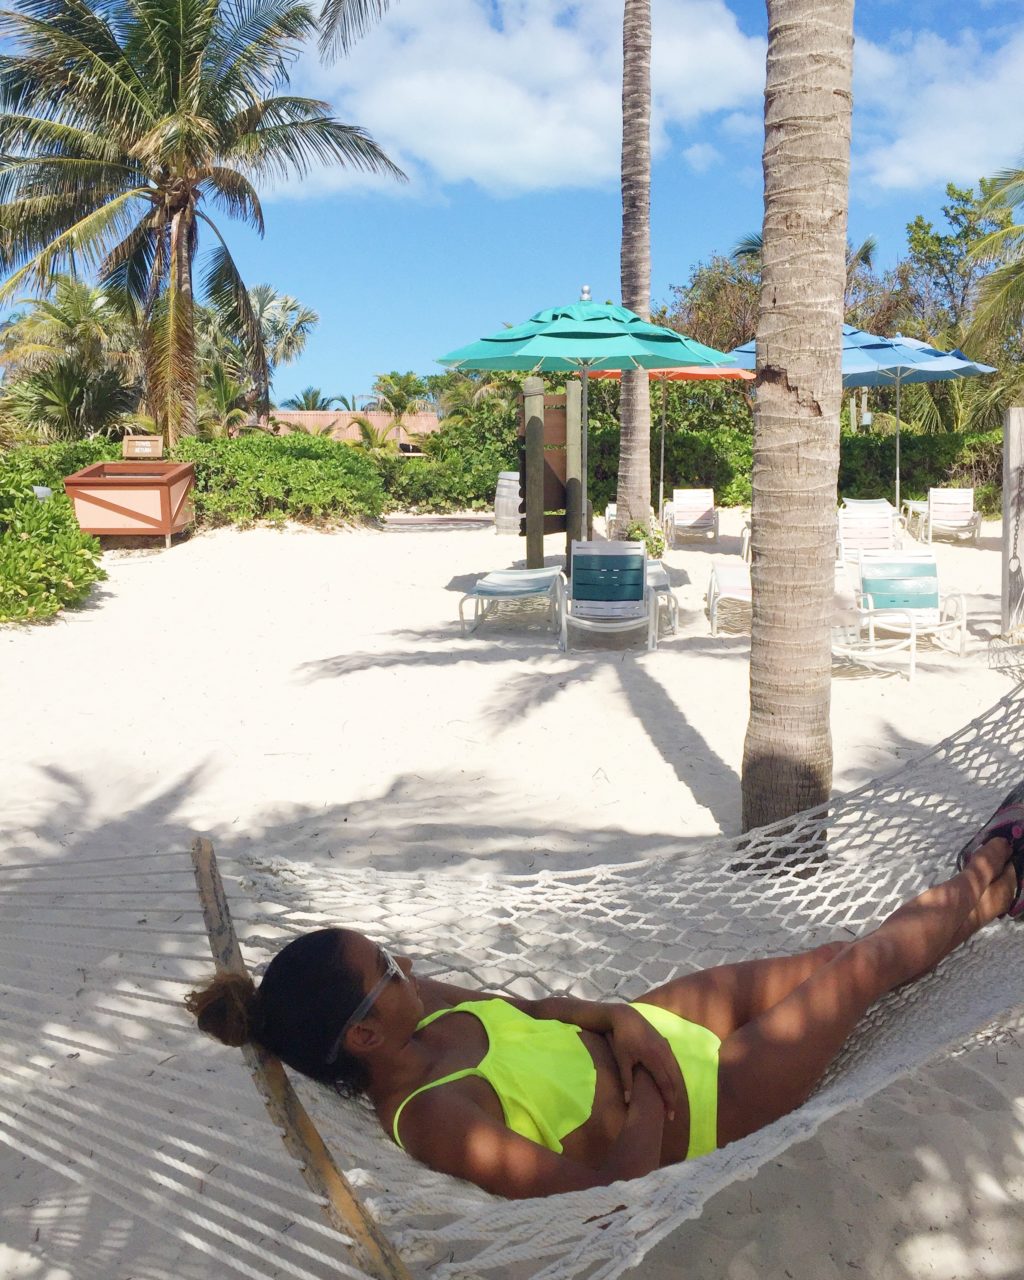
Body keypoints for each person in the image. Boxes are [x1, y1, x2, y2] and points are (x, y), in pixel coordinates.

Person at [187, 792, 1024, 1199]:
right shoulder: (434, 1117)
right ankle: (994, 863)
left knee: (839, 954)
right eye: (388, 971)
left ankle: (991, 892)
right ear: (364, 1037)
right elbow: (604, 1202)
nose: (405, 964)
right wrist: (654, 1085)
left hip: (655, 1025)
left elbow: (537, 1012)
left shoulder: (425, 1010)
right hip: (703, 1104)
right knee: (865, 971)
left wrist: (621, 1025)